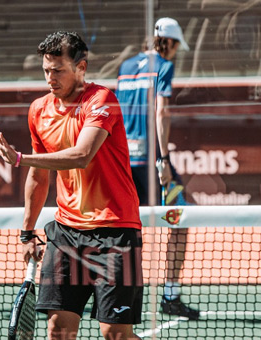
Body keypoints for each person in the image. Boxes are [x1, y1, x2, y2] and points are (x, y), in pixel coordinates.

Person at [0, 31, 143, 340]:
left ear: (81, 68)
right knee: (58, 330)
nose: (50, 78)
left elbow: (82, 155)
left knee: (115, 334)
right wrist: (26, 232)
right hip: (65, 234)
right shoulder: (38, 110)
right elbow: (38, 175)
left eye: (58, 70)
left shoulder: (102, 100)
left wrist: (21, 158)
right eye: (46, 70)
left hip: (115, 232)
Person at [115, 17, 200, 320]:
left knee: (127, 228)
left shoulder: (125, 67)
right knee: (180, 220)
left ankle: (122, 296)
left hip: (124, 160)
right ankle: (171, 295)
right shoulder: (164, 66)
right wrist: (163, 161)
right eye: (177, 46)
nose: (177, 52)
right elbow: (161, 112)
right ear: (171, 43)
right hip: (152, 161)